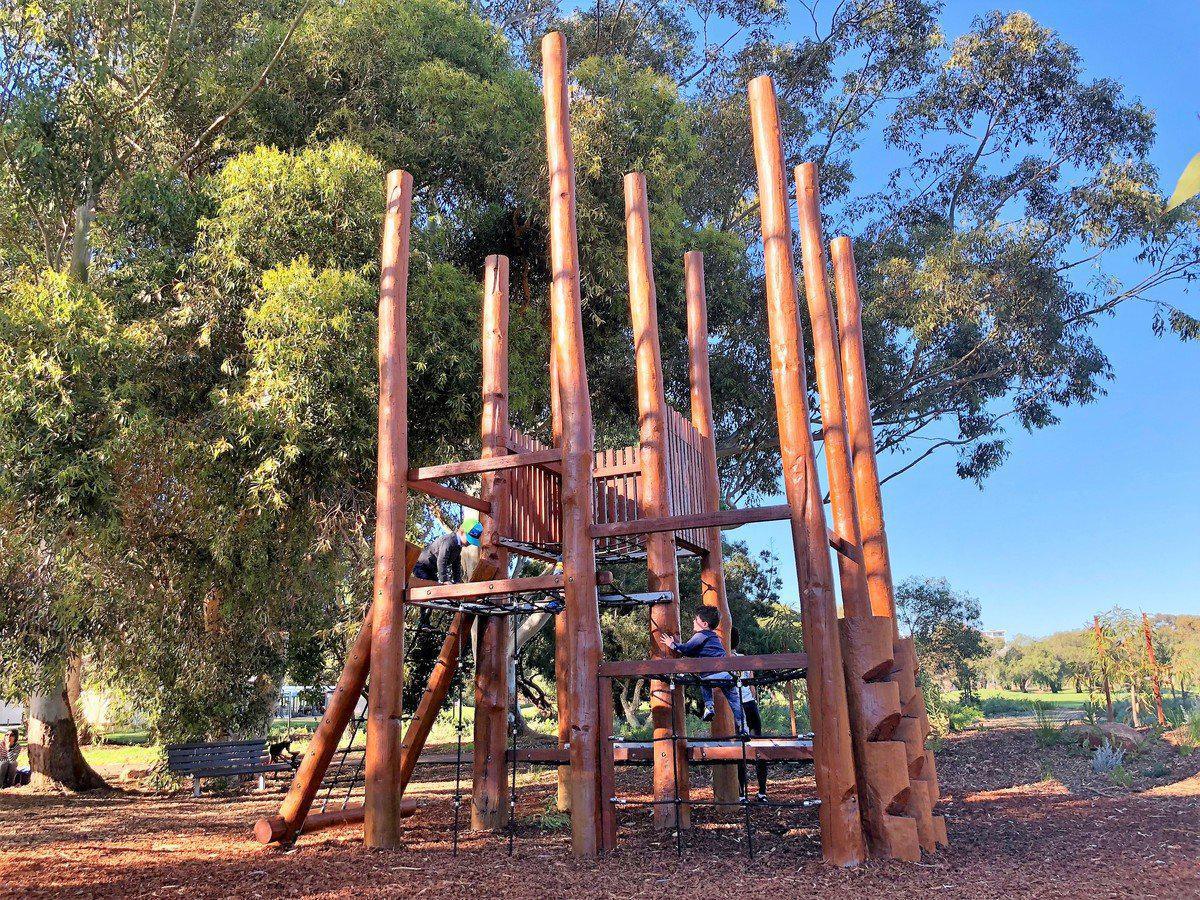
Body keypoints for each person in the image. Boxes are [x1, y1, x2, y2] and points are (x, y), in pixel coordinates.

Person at [667, 607, 744, 734]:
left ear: (704, 624)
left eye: (695, 619)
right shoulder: (714, 637)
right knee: (734, 701)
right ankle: (743, 727)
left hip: (710, 674)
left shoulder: (701, 635)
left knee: (703, 681)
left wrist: (672, 644)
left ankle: (709, 706)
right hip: (726, 674)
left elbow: (686, 649)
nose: (693, 621)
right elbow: (695, 652)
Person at [732, 627, 769, 801]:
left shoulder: (720, 660)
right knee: (758, 746)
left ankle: (741, 794)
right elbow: (752, 688)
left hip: (734, 707)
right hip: (749, 705)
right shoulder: (744, 660)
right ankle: (762, 791)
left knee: (738, 749)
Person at [412, 519, 483, 584]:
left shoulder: (458, 546)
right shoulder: (449, 541)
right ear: (461, 532)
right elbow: (442, 560)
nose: (469, 543)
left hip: (431, 570)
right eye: (468, 539)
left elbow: (456, 564)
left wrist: (457, 581)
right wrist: (445, 580)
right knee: (429, 586)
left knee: (435, 587)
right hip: (421, 567)